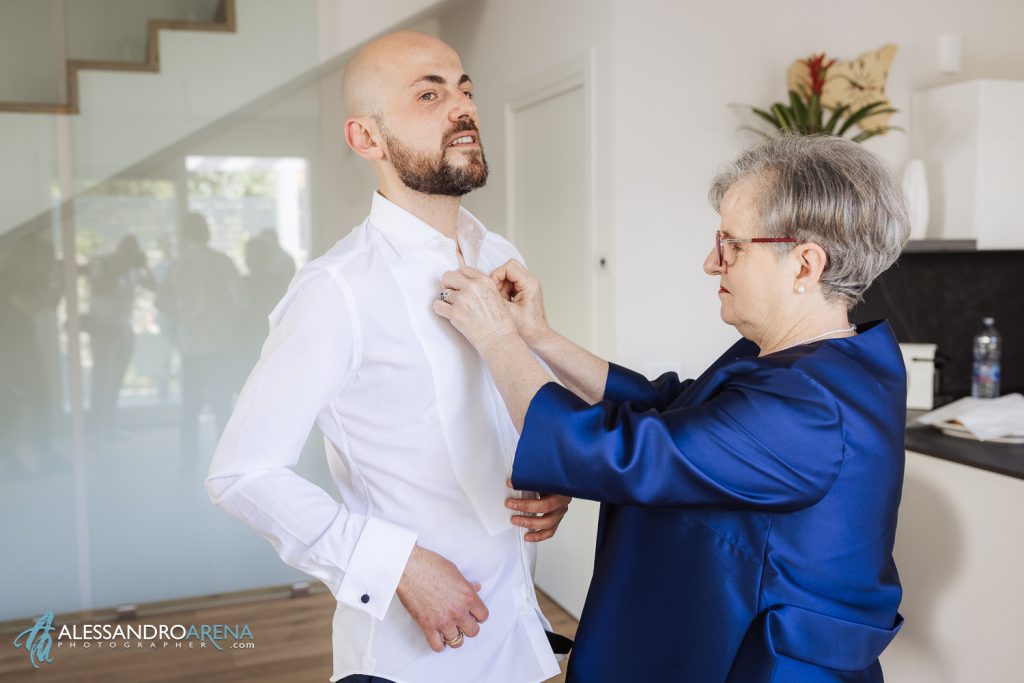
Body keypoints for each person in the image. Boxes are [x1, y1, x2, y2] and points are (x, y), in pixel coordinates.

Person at [434, 134, 910, 682]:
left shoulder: (809, 406)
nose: (712, 263)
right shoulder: (827, 362)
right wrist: (539, 337)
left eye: (732, 244)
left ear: (805, 265)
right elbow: (674, 407)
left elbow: (618, 453)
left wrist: (497, 339)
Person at [205, 31, 570, 683]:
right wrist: (398, 563)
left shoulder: (496, 253)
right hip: (412, 656)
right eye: (429, 93)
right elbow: (243, 472)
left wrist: (549, 472)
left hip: (516, 626)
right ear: (365, 139)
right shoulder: (337, 289)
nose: (462, 108)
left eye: (464, 90)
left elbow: (489, 408)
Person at [156, 212, 243, 468]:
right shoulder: (222, 262)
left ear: (184, 235)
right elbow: (242, 300)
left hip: (191, 345)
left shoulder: (178, 265)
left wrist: (183, 316)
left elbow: (160, 300)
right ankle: (226, 463)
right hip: (219, 342)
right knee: (222, 405)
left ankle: (189, 459)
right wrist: (223, 317)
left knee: (190, 407)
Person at [84, 234, 156, 437]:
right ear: (118, 247)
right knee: (101, 378)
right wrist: (124, 267)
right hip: (102, 328)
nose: (129, 253)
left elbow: (153, 286)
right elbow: (97, 287)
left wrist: (143, 266)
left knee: (116, 379)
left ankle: (109, 424)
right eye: (126, 248)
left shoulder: (134, 269)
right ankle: (95, 427)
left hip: (123, 329)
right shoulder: (103, 262)